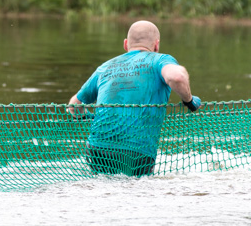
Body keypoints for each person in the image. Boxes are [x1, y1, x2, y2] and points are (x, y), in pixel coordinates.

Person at [68, 20, 201, 177]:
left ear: (125, 44)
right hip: (137, 155)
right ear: (156, 45)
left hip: (98, 152)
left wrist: (88, 116)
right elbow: (177, 77)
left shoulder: (104, 68)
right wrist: (189, 101)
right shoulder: (159, 60)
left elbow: (74, 106)